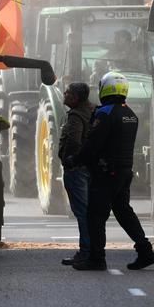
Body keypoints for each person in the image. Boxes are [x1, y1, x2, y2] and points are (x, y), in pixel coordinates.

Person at [69, 71, 154, 271]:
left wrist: (75, 159)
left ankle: (97, 259)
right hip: (124, 171)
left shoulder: (105, 113)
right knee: (124, 212)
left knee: (95, 215)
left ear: (104, 88)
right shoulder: (130, 114)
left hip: (106, 173)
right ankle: (145, 251)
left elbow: (93, 144)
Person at [59, 82, 95, 266]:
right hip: (91, 167)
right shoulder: (93, 110)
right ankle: (92, 251)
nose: (64, 94)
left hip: (77, 169)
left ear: (76, 98)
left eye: (68, 92)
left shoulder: (75, 115)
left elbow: (73, 140)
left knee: (82, 212)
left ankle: (86, 252)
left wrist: (70, 160)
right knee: (89, 211)